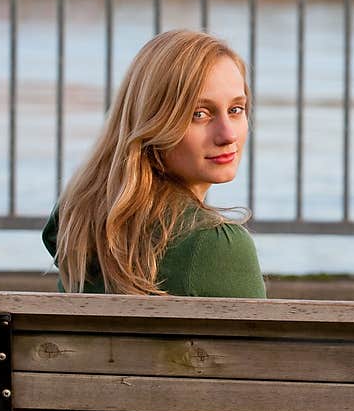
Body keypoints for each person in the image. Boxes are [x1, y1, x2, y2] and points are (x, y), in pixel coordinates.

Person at [41, 29, 266, 298]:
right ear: (154, 123)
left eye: (236, 110)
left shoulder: (79, 226)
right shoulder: (216, 246)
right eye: (199, 114)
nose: (228, 134)